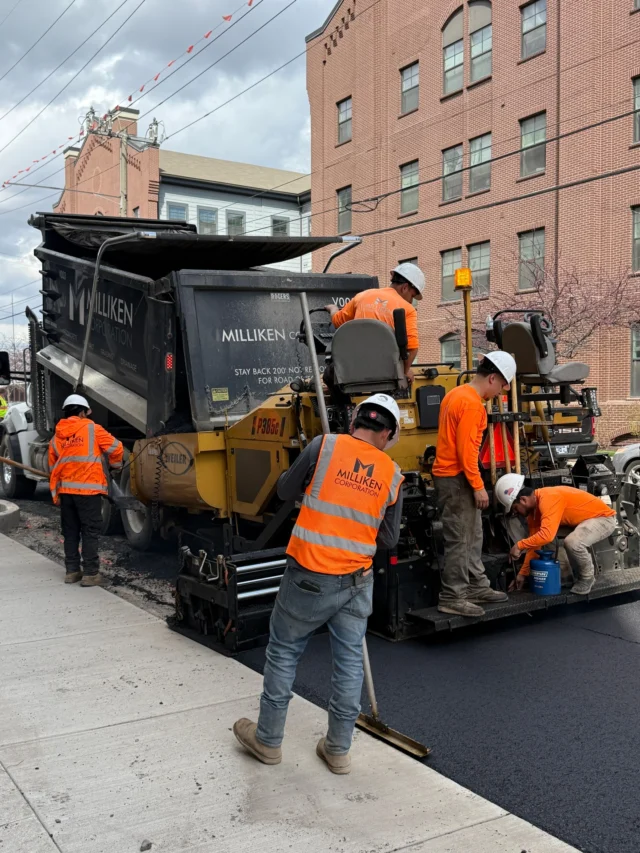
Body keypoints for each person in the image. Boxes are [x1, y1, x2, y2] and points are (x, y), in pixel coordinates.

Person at [233, 394, 404, 775]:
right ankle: (338, 750)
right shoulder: (393, 475)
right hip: (357, 581)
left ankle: (268, 740)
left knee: (284, 651)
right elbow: (389, 538)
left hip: (308, 576)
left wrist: (312, 483)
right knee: (349, 662)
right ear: (388, 435)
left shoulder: (323, 447)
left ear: (354, 421)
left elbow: (283, 491)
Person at [432, 352, 517, 617]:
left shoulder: (455, 394)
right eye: (501, 385)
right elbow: (467, 452)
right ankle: (453, 596)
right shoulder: (472, 405)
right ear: (492, 378)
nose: (501, 392)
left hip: (453, 477)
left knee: (473, 533)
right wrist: (478, 486)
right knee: (460, 538)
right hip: (457, 479)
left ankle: (476, 585)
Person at [495, 474, 618, 595]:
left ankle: (587, 578)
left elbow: (546, 535)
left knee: (572, 542)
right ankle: (566, 578)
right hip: (581, 522)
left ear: (523, 500)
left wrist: (519, 545)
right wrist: (523, 574)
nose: (516, 513)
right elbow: (535, 544)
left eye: (515, 508)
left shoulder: (548, 498)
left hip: (603, 519)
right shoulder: (533, 513)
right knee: (545, 539)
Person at [49, 394, 124, 587]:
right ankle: (90, 574)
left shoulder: (57, 436)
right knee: (90, 531)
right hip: (88, 491)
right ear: (82, 412)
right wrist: (115, 466)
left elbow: (52, 467)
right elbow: (117, 448)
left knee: (71, 531)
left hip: (66, 492)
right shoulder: (92, 429)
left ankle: (72, 571)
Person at [325, 263, 425, 382]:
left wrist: (333, 309)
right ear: (405, 287)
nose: (411, 300)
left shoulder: (362, 296)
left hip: (353, 370)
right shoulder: (407, 309)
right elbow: (412, 349)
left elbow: (337, 321)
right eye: (412, 296)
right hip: (386, 373)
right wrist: (404, 371)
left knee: (328, 376)